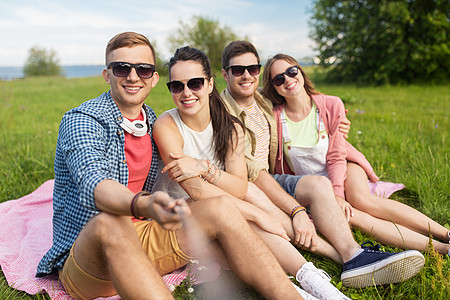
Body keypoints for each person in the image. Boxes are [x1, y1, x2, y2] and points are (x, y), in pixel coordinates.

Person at [35, 32, 306, 300]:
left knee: (221, 207)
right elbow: (96, 185)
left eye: (143, 69)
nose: (132, 76)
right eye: (121, 68)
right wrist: (143, 204)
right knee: (110, 222)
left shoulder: (151, 121)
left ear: (153, 79)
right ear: (107, 75)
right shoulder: (82, 121)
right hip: (89, 262)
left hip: (146, 240)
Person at [220, 40, 425, 288]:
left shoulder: (262, 100)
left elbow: (308, 109)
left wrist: (337, 124)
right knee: (348, 210)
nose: (246, 75)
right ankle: (356, 257)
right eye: (237, 70)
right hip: (255, 182)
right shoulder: (225, 116)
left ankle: (357, 256)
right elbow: (255, 174)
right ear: (224, 74)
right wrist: (296, 210)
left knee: (330, 190)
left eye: (252, 69)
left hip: (293, 175)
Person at [153, 45, 352, 299]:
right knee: (240, 220)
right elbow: (195, 190)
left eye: (195, 83)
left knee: (247, 199)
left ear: (210, 84)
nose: (186, 93)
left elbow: (240, 186)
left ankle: (313, 280)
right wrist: (259, 215)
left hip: (220, 203)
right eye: (177, 86)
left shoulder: (229, 126)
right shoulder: (167, 125)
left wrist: (204, 167)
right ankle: (298, 287)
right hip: (180, 212)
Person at [261, 53, 450, 257]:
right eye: (279, 79)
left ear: (300, 71)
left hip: (343, 166)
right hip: (312, 183)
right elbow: (249, 93)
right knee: (353, 216)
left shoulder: (331, 105)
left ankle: (446, 233)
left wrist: (337, 195)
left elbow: (336, 157)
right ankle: (443, 249)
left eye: (291, 71)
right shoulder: (274, 117)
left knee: (361, 200)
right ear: (274, 87)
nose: (288, 80)